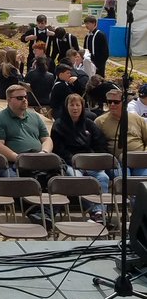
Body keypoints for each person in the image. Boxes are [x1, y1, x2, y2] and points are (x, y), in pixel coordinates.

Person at [51, 92, 119, 221]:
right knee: (79, 178)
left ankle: (99, 213)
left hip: (90, 162)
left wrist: (93, 160)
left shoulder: (89, 124)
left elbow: (100, 144)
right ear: (67, 107)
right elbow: (60, 150)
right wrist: (77, 162)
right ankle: (93, 210)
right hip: (70, 163)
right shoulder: (58, 125)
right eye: (72, 105)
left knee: (103, 177)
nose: (75, 108)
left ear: (82, 107)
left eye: (78, 105)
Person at [0, 83, 53, 176]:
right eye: (19, 98)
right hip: (12, 163)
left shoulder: (35, 117)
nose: (24, 100)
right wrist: (18, 158)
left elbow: (47, 139)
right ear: (9, 100)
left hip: (38, 159)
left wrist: (44, 152)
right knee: (12, 181)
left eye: (25, 97)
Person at [94, 91, 147, 178]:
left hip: (139, 161)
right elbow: (97, 145)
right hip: (116, 163)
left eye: (116, 102)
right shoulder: (100, 122)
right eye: (109, 102)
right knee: (125, 180)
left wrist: (144, 156)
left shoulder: (137, 119)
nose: (112, 104)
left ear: (124, 102)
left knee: (144, 180)